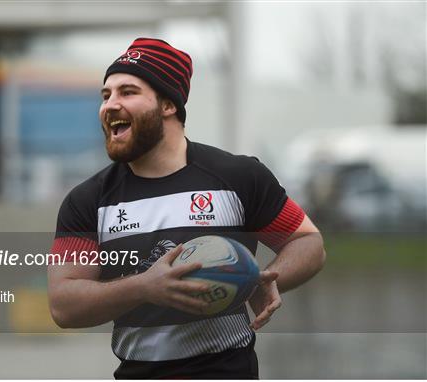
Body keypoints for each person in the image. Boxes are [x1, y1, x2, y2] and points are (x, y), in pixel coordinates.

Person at [48, 37, 326, 379]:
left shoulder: (237, 176)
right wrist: (144, 286)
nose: (109, 105)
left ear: (167, 105)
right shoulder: (88, 200)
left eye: (127, 92)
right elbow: (63, 303)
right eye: (106, 95)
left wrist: (267, 279)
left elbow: (308, 242)